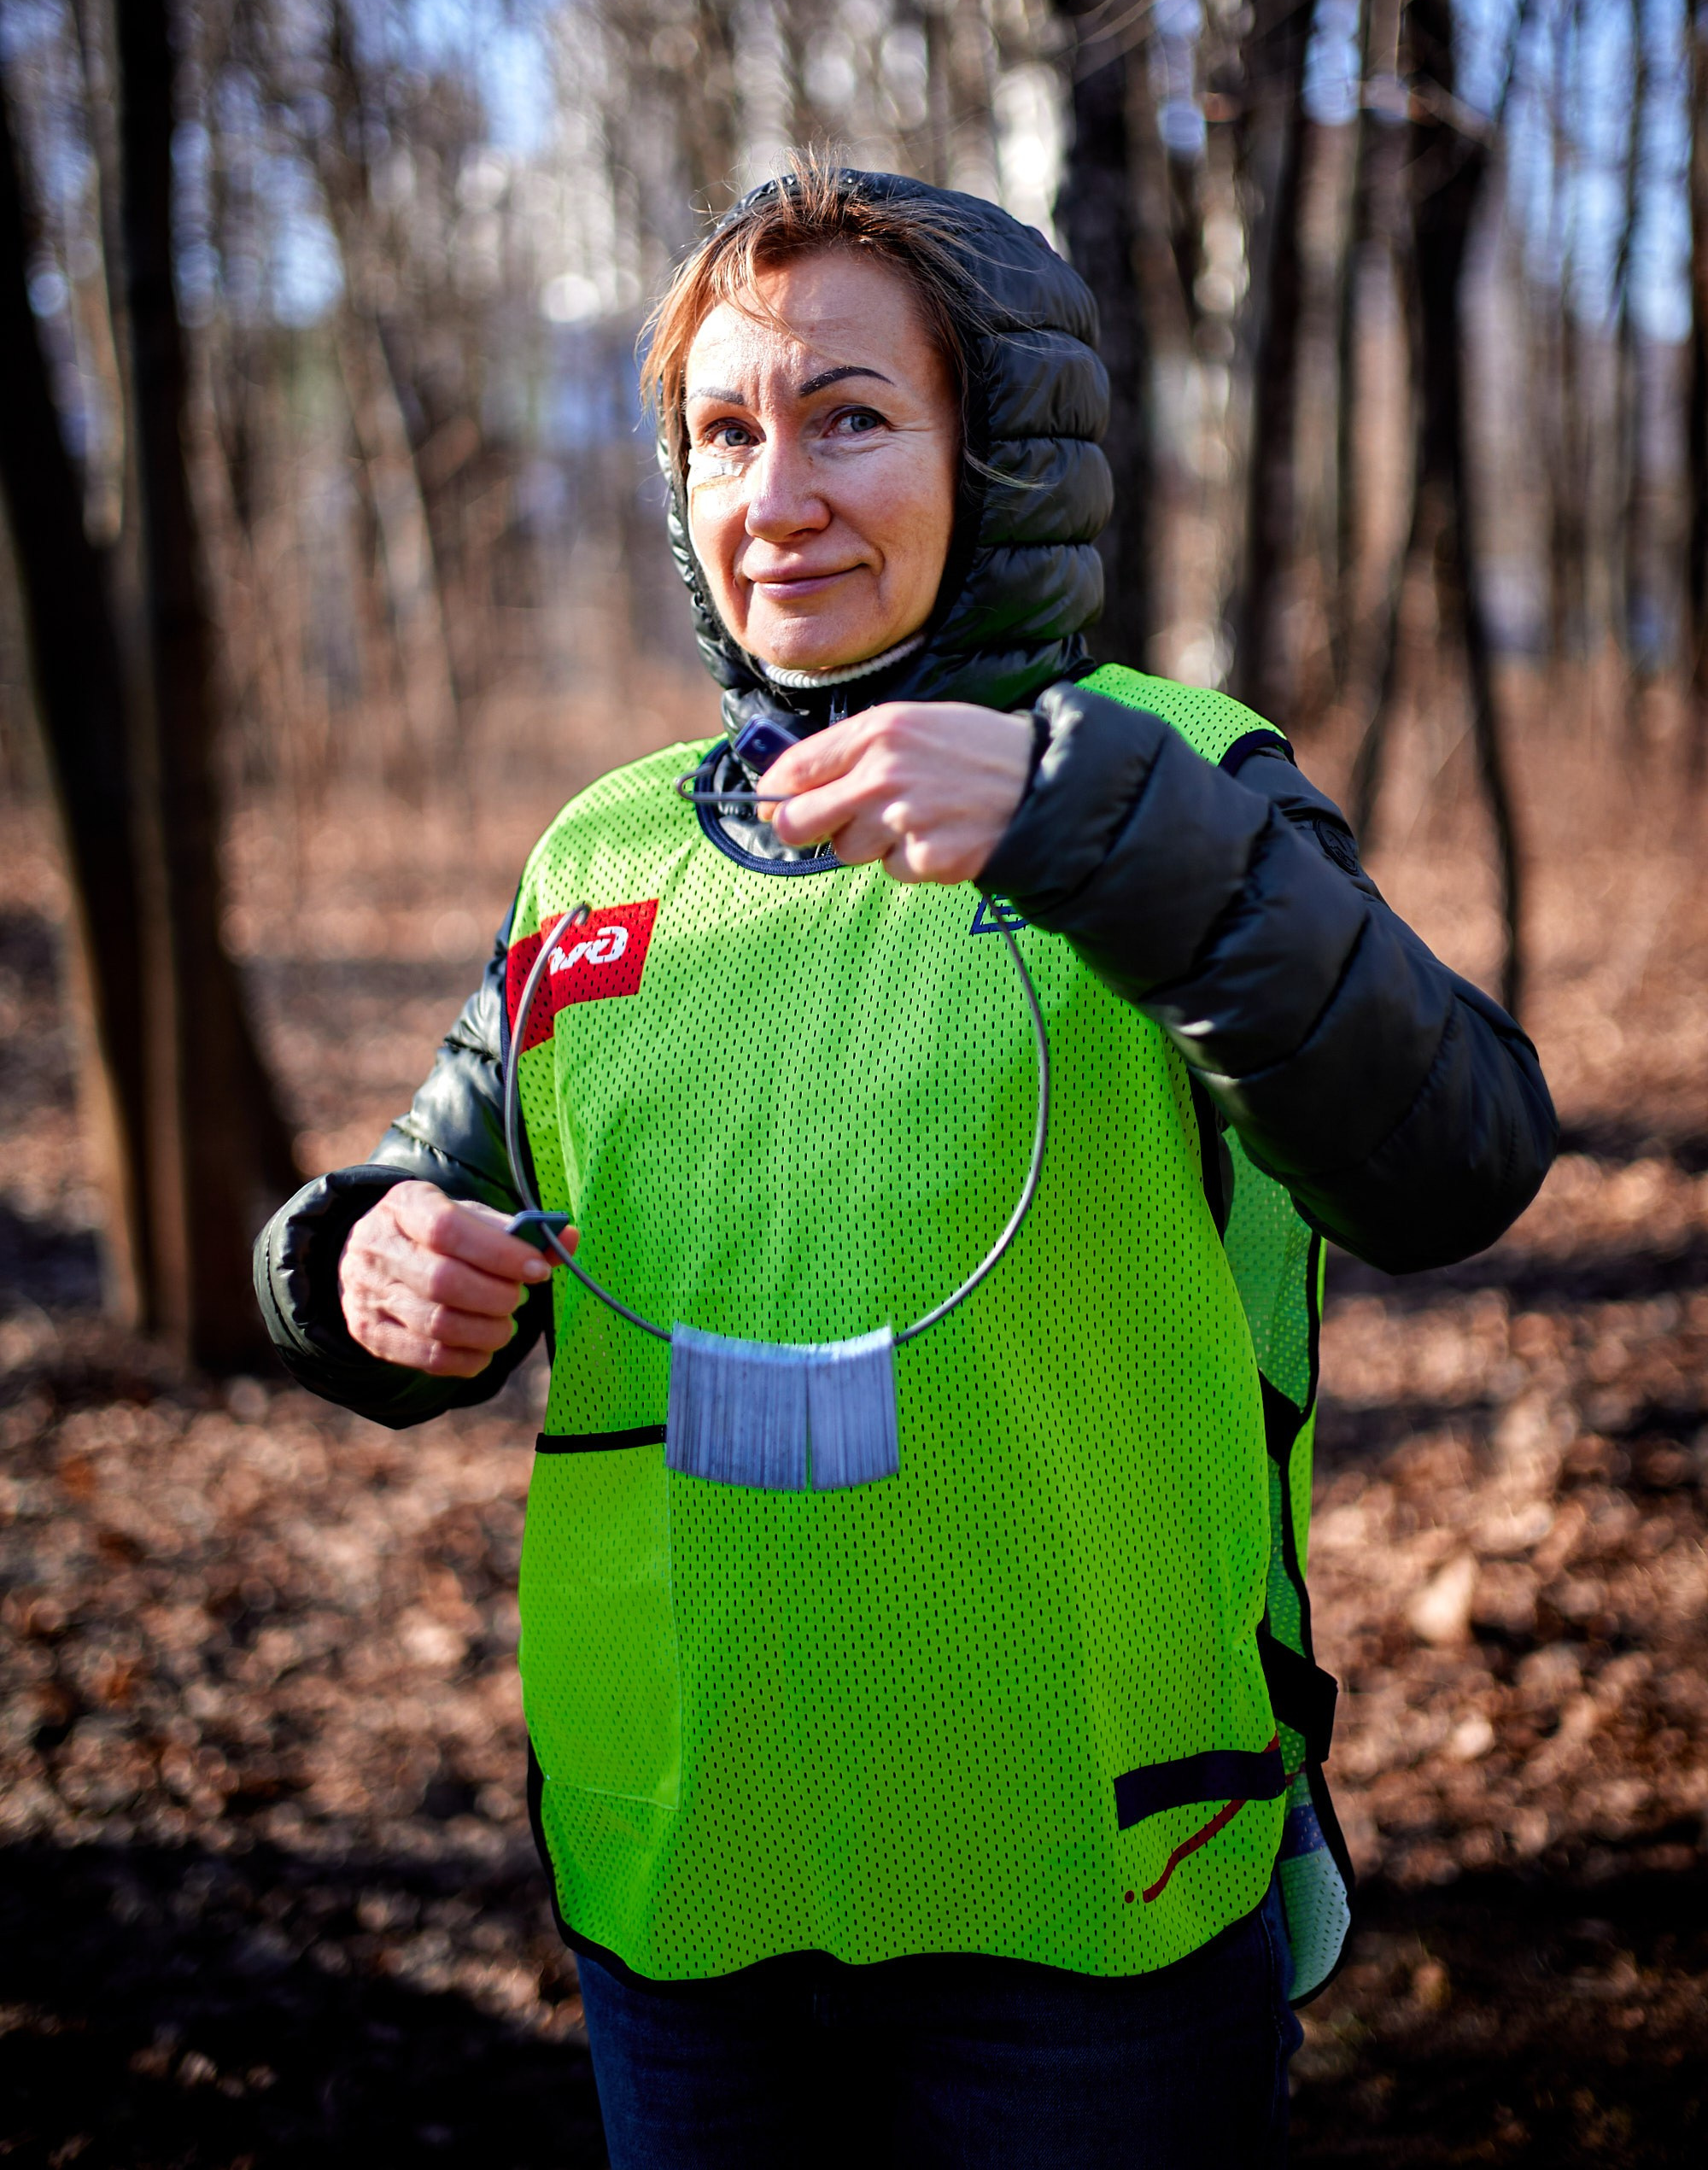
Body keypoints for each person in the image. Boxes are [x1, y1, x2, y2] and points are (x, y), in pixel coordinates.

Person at [255, 161, 1555, 2169]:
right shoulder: (600, 858)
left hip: (1091, 1890)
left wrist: (1077, 819)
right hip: (683, 1882)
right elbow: (416, 1199)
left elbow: (1457, 1156)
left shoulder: (1175, 776)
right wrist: (355, 1266)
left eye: (851, 415)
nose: (776, 494)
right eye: (723, 431)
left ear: (999, 450)